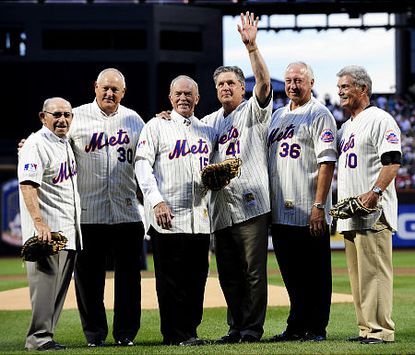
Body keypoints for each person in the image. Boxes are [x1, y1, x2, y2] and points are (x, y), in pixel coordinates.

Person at [203, 12, 273, 343]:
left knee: (254, 274)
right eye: (221, 84)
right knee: (229, 275)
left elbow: (264, 83)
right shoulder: (207, 121)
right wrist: (167, 116)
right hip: (219, 209)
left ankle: (252, 329)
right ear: (215, 89)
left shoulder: (253, 111)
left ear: (240, 87)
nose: (226, 87)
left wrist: (252, 46)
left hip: (251, 205)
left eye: (231, 82)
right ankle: (235, 327)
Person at [135, 75, 217, 346]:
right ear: (170, 98)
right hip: (168, 215)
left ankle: (190, 333)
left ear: (197, 99)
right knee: (171, 281)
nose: (183, 98)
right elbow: (142, 165)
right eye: (178, 94)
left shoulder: (206, 130)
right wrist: (155, 200)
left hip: (200, 219)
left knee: (197, 280)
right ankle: (174, 334)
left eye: (188, 94)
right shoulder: (156, 126)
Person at [72, 68, 145, 347]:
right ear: (95, 87)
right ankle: (94, 335)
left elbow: (149, 157)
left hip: (126, 212)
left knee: (129, 280)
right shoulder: (76, 117)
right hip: (89, 213)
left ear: (123, 93)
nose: (109, 93)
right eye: (105, 88)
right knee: (89, 280)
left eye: (115, 89)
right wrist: (27, 144)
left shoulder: (134, 120)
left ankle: (125, 334)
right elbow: (53, 143)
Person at [267, 62, 337, 342]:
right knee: (292, 275)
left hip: (310, 209)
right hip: (281, 211)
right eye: (288, 80)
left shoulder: (320, 113)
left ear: (311, 82)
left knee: (316, 274)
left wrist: (319, 206)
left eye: (299, 80)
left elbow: (327, 161)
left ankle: (316, 328)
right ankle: (296, 325)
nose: (293, 85)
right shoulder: (277, 116)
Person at [336, 65, 401, 344]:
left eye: (346, 86)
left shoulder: (380, 119)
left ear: (363, 89)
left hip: (374, 212)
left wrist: (375, 192)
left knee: (374, 274)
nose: (341, 92)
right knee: (358, 277)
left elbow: (393, 160)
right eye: (339, 87)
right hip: (351, 213)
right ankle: (366, 328)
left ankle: (381, 331)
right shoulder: (346, 126)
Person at [18, 97, 82, 351]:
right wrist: (39, 224)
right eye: (56, 114)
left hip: (67, 231)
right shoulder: (36, 143)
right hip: (48, 232)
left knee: (57, 292)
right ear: (43, 116)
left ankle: (46, 337)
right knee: (44, 289)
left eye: (67, 114)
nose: (62, 119)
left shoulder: (65, 142)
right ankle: (38, 338)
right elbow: (27, 185)